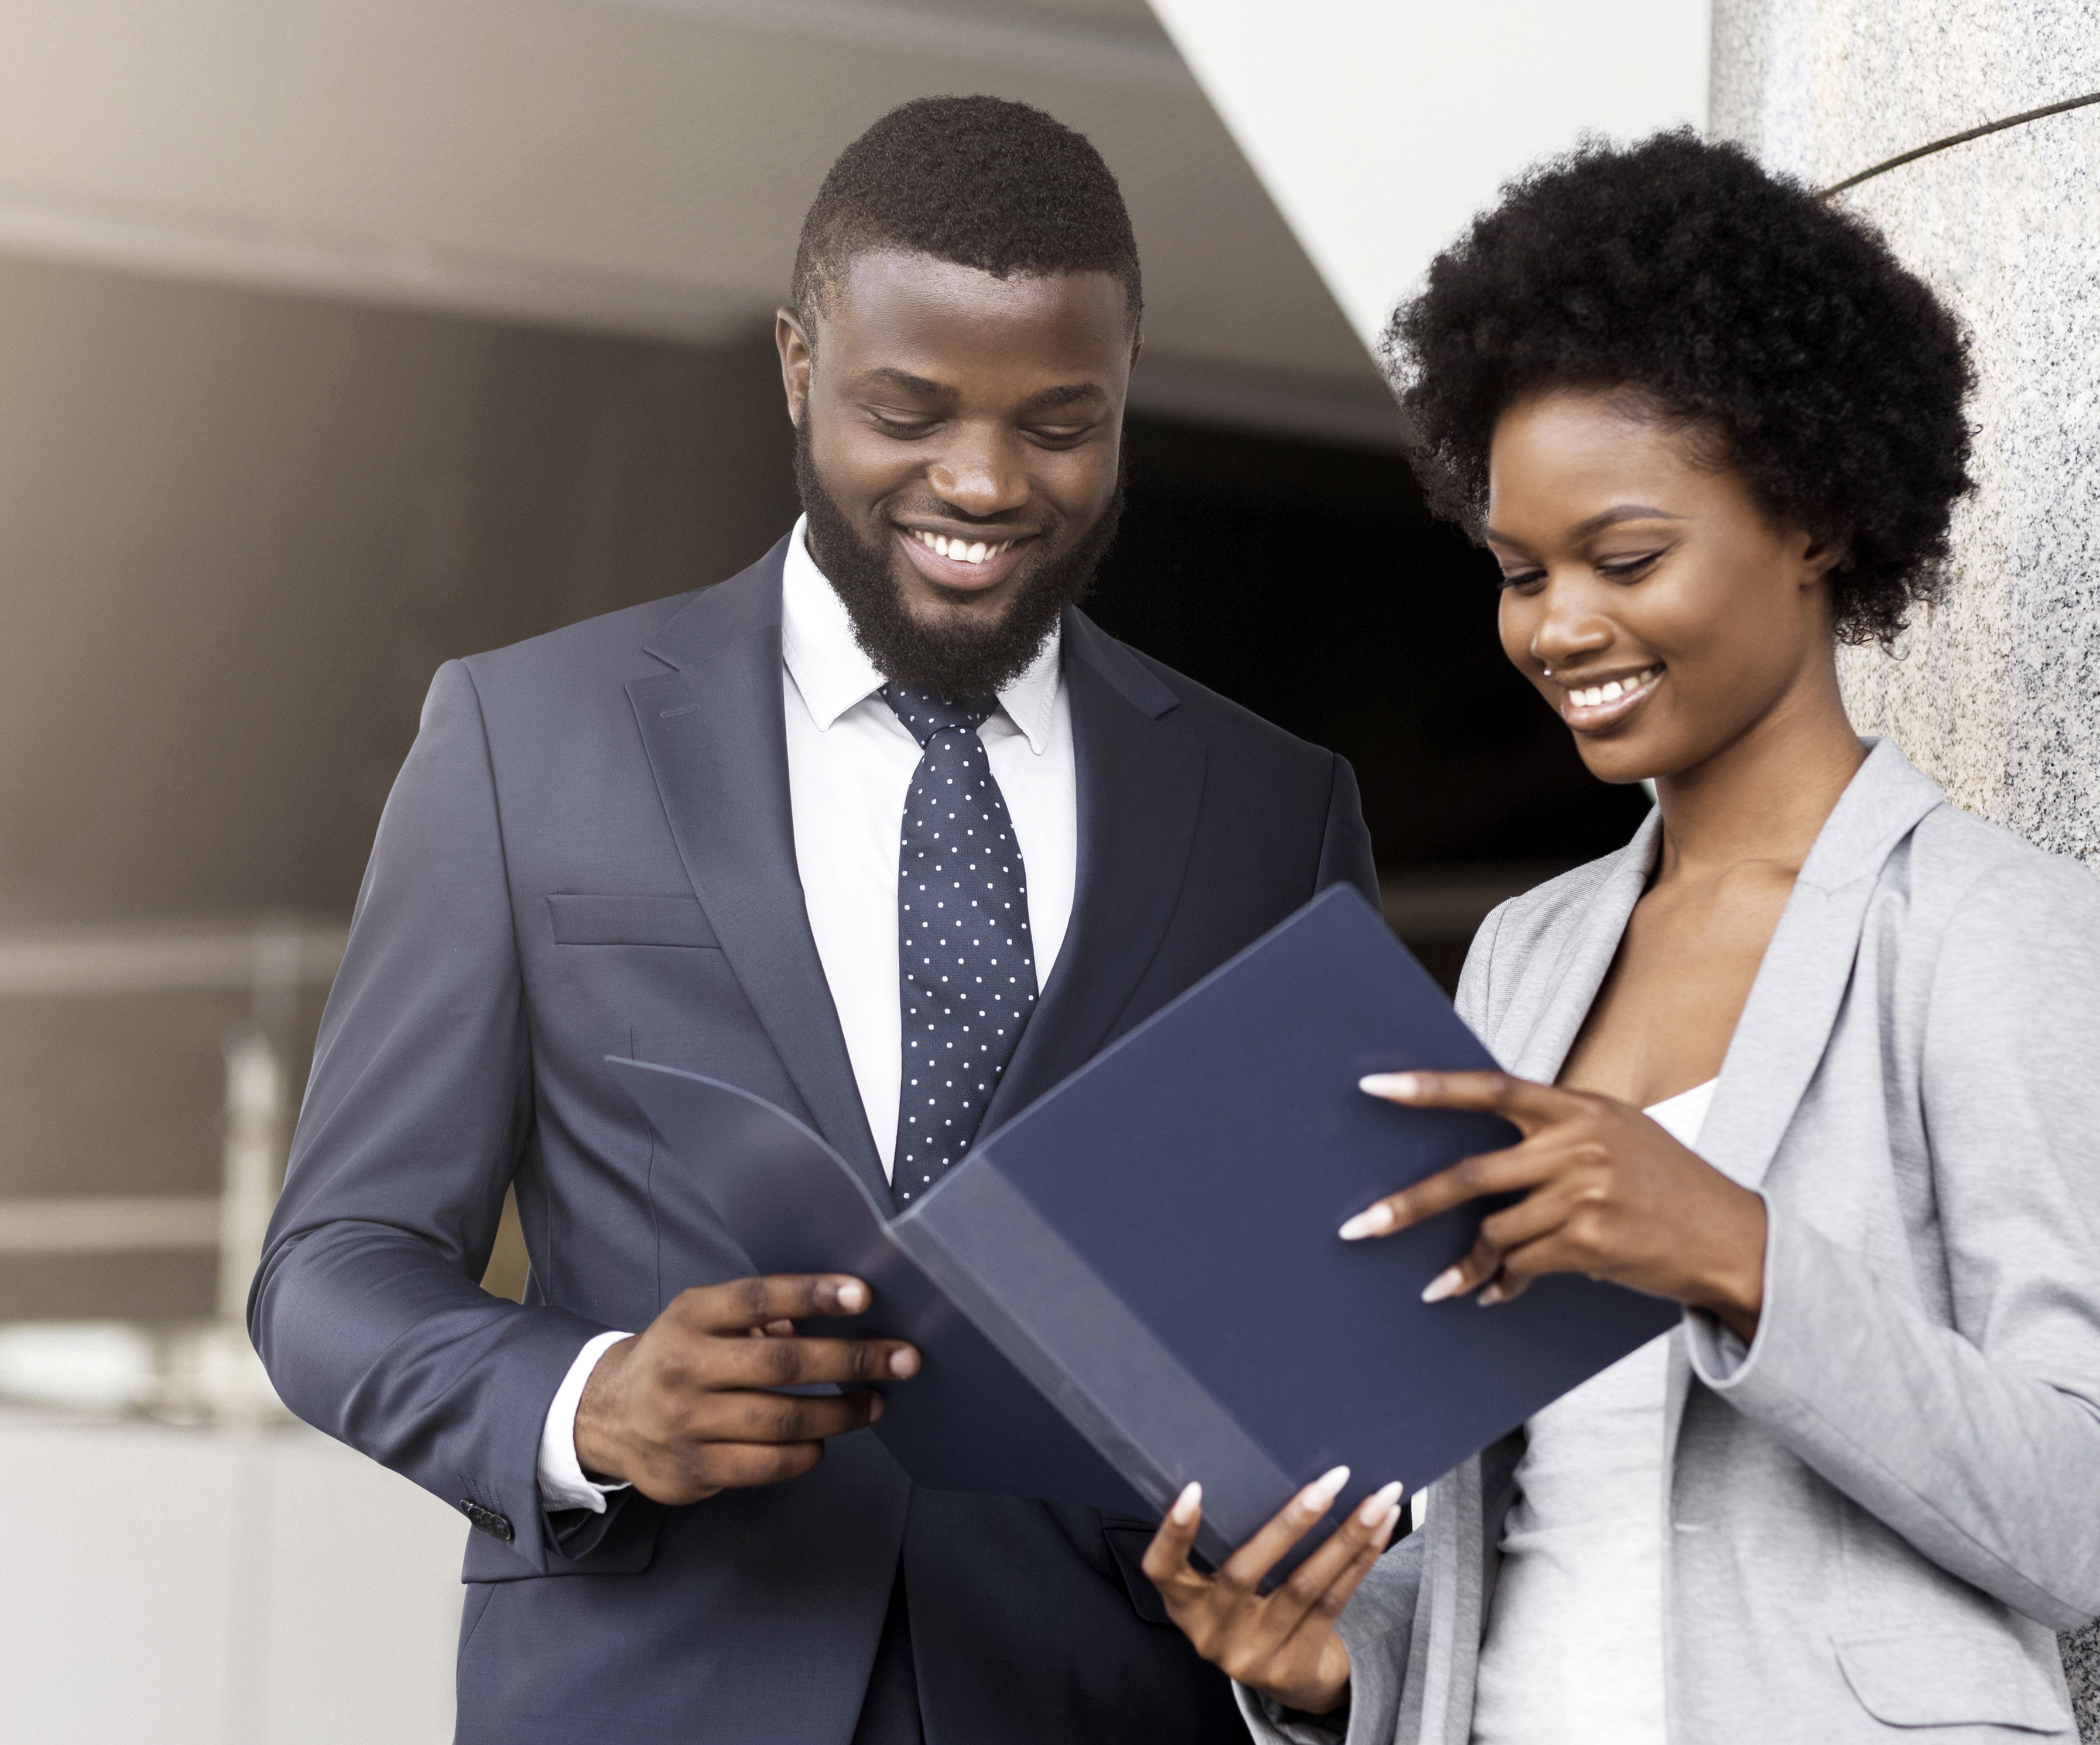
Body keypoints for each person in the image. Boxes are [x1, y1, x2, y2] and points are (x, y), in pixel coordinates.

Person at [248, 96, 1378, 1744]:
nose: (981, 482)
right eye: (906, 411)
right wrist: (592, 1402)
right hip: (652, 1694)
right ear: (798, 364)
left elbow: (1327, 1331)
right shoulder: (523, 739)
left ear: (1125, 387)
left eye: (1060, 423)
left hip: (1098, 1699)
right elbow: (330, 1270)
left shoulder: (1273, 811)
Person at [1135, 133, 2100, 1744]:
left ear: (1813, 518)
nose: (1558, 627)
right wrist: (1327, 1665)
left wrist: (1731, 1252)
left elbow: (2086, 1514)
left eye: (1625, 559)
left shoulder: (1985, 929)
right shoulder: (1526, 955)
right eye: (1519, 573)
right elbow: (1529, 1518)